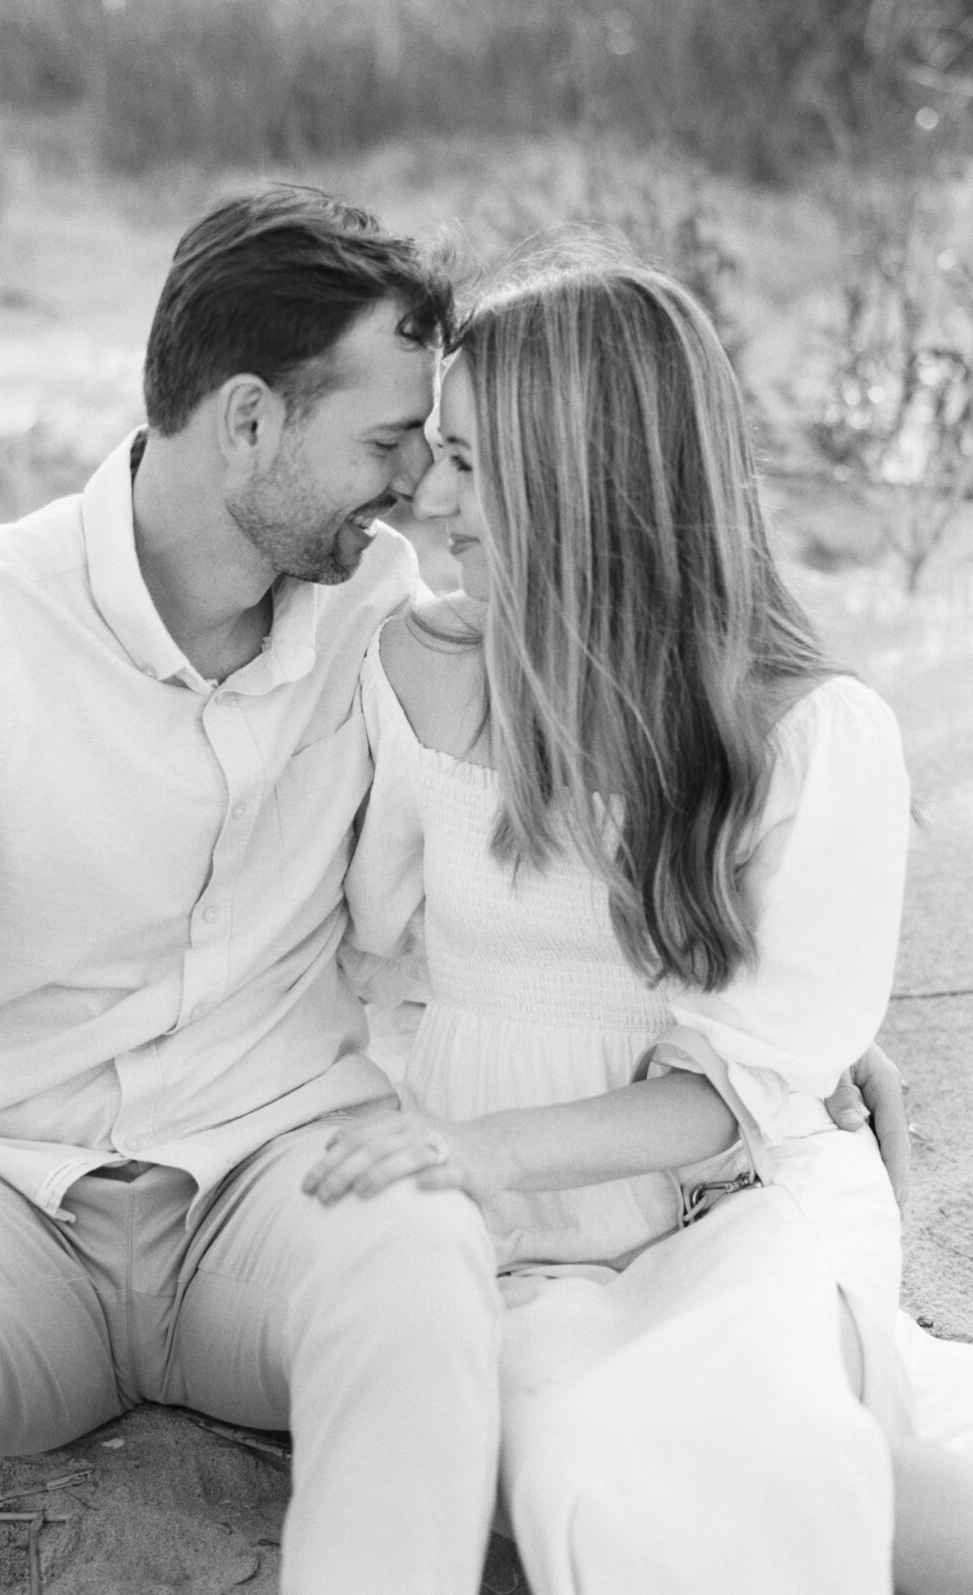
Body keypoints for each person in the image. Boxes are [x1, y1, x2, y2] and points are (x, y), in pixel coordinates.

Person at [0, 188, 505, 1595]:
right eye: (388, 440)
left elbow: (582, 785)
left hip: (284, 1180)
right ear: (248, 421)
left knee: (423, 1268)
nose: (418, 483)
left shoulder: (383, 604)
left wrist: (767, 1019)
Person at [306, 257, 973, 1594]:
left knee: (763, 1438)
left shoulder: (809, 734)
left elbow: (739, 1085)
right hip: (509, 1245)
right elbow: (350, 949)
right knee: (590, 1474)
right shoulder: (408, 670)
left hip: (730, 1207)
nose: (433, 502)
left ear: (588, 486)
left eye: (475, 466)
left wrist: (472, 1146)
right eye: (436, 454)